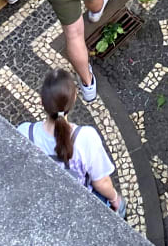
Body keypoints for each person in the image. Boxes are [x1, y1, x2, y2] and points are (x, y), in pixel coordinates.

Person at [19, 69, 125, 214]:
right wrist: (115, 200)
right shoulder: (86, 137)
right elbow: (101, 182)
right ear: (74, 98)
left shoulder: (24, 132)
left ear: (41, 101)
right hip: (78, 202)